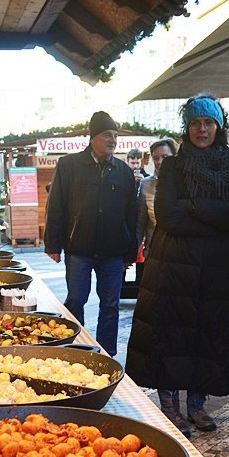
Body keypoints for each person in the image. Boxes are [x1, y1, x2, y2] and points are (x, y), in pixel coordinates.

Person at [127, 95, 229, 435]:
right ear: (187, 127)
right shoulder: (173, 167)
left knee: (205, 336)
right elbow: (168, 216)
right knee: (170, 336)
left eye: (208, 123)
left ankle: (196, 405)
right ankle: (170, 406)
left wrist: (194, 207)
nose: (201, 129)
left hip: (212, 268)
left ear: (218, 126)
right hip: (173, 265)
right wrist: (212, 217)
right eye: (195, 123)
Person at [44, 111, 138, 356]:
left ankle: (107, 355)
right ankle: (76, 350)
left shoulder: (124, 172)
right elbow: (56, 206)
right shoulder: (68, 165)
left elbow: (132, 215)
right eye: (108, 135)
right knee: (75, 300)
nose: (113, 140)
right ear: (93, 136)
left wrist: (130, 252)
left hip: (113, 253)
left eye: (115, 136)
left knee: (110, 305)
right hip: (79, 250)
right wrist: (53, 244)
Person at [135, 139, 179, 263]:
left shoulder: (186, 183)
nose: (159, 162)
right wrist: (133, 251)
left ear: (175, 157)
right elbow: (140, 223)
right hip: (154, 253)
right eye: (156, 158)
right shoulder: (146, 184)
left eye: (165, 157)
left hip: (180, 253)